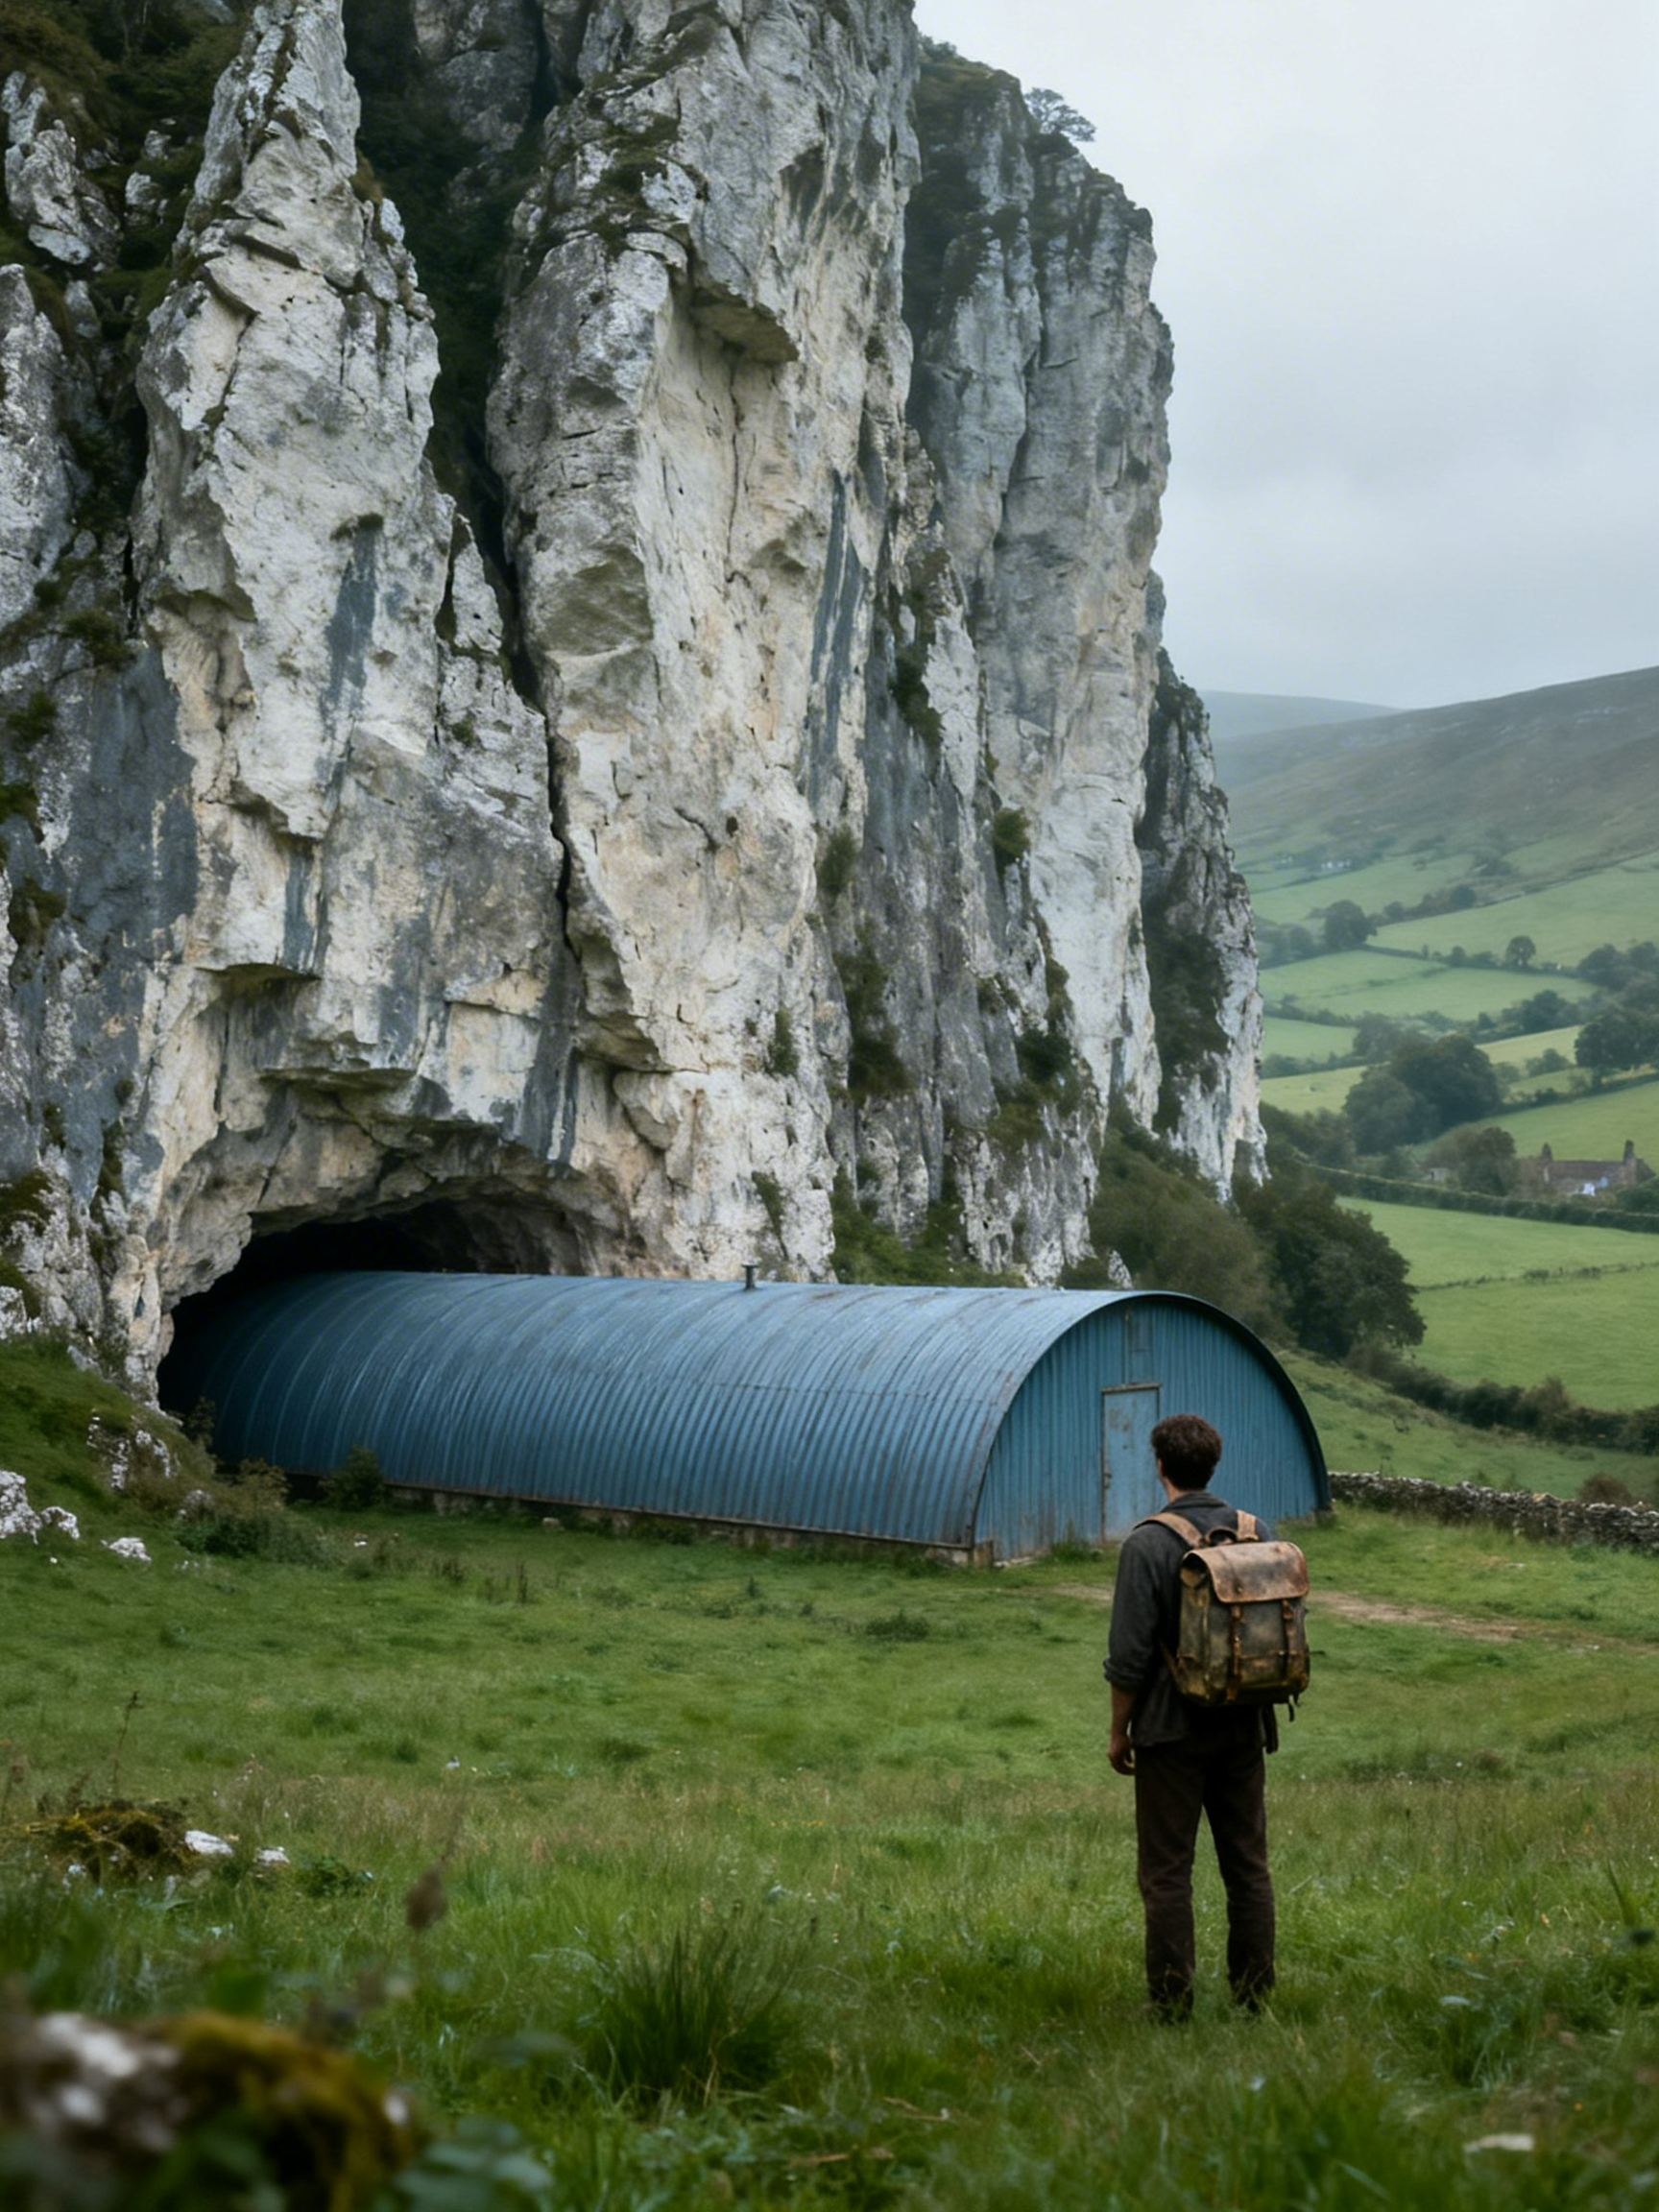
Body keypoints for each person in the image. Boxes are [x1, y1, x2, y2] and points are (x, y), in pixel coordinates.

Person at [1103, 1412, 1276, 2019]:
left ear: (1160, 1467)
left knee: (1168, 1872)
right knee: (1248, 1867)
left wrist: (1118, 1731)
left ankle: (1172, 2005)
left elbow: (1127, 1657)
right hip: (1244, 1725)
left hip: (1169, 1733)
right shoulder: (1256, 1533)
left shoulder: (1148, 1543)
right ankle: (1254, 1999)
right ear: (1212, 1464)